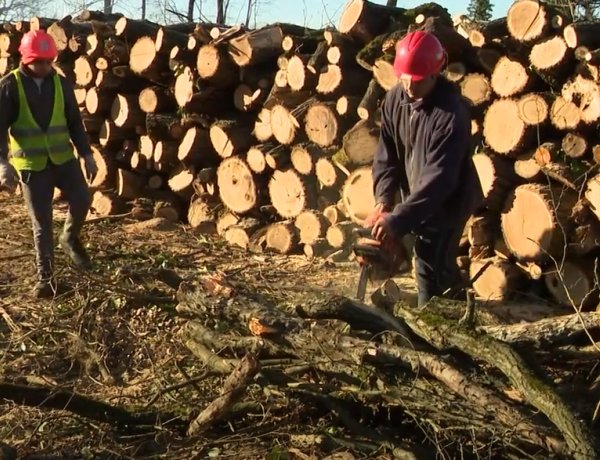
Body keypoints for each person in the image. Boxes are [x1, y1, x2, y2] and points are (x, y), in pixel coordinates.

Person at [366, 30, 483, 308]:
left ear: (433, 74)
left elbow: (439, 180)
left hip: (447, 202)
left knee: (429, 263)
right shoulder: (396, 99)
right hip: (416, 197)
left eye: (415, 79)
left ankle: (434, 324)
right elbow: (387, 155)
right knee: (429, 263)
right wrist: (383, 200)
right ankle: (457, 305)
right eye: (403, 76)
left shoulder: (450, 115)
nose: (407, 85)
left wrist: (398, 220)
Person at [0, 30, 98, 298]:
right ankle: (47, 279)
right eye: (38, 62)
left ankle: (69, 239)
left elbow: (75, 122)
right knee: (41, 224)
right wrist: (3, 164)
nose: (44, 67)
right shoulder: (10, 85)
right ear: (25, 58)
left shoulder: (61, 83)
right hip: (32, 167)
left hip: (64, 160)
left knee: (81, 199)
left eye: (48, 61)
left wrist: (86, 154)